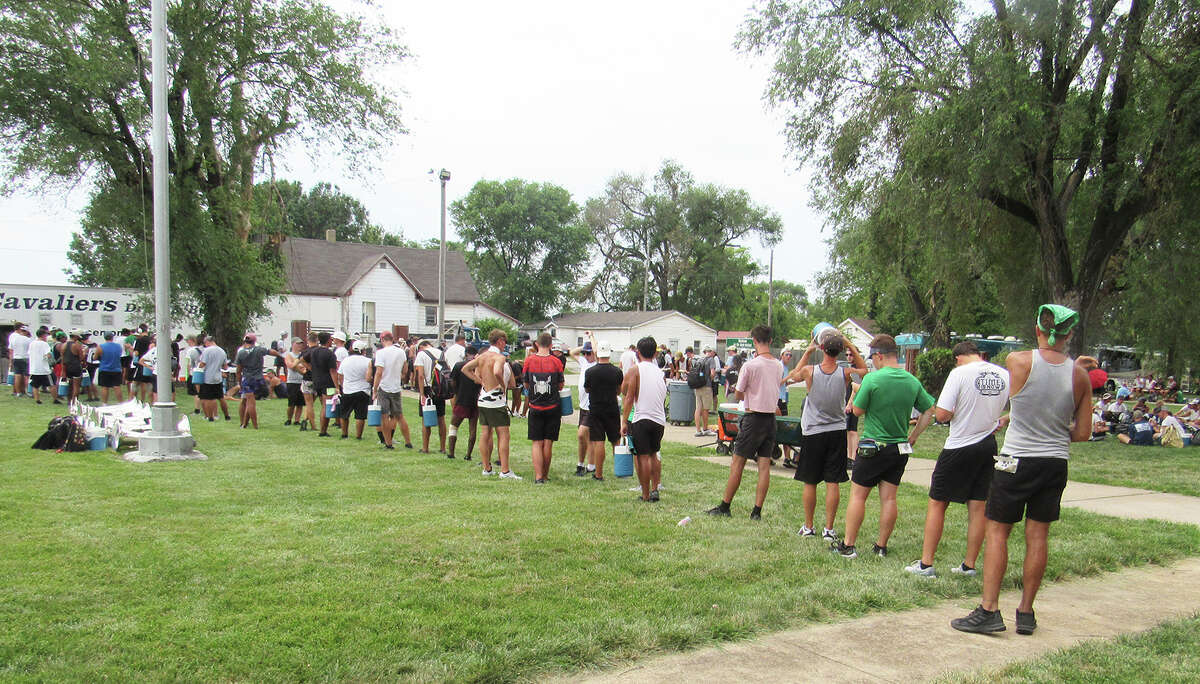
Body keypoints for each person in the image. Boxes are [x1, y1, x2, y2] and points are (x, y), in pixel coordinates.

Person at [953, 304, 1091, 635]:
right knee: (1038, 535)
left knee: (998, 531)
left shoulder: (1018, 361)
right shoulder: (1080, 375)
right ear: (1070, 334)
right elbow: (1083, 432)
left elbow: (1026, 392)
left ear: (1038, 329)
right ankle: (1026, 613)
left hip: (1016, 460)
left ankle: (989, 610)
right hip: (1055, 461)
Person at [906, 340, 1010, 578]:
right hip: (987, 445)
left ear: (958, 357)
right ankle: (969, 565)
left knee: (938, 502)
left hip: (959, 445)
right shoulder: (1003, 374)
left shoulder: (959, 373)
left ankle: (926, 563)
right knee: (977, 505)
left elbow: (942, 414)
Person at [833, 334, 936, 559]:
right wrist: (913, 436)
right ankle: (881, 546)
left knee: (858, 496)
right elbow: (929, 410)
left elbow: (858, 411)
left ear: (879, 356)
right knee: (889, 498)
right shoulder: (911, 380)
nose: (872, 363)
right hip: (899, 447)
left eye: (873, 358)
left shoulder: (873, 379)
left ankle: (849, 545)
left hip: (872, 445)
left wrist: (861, 393)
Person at [789, 332, 867, 540]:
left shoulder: (809, 371)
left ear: (822, 349)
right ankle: (829, 529)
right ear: (840, 350)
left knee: (810, 481)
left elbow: (793, 375)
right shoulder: (845, 373)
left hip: (814, 432)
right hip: (836, 431)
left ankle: (808, 526)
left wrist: (807, 351)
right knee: (833, 481)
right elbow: (865, 370)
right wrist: (849, 343)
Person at [707, 325, 785, 519]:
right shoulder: (778, 365)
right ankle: (756, 511)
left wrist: (741, 389)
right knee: (764, 466)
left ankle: (725, 506)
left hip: (753, 417)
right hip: (770, 419)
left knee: (738, 462)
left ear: (754, 341)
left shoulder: (750, 365)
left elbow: (740, 393)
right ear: (771, 341)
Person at [462, 329, 521, 479]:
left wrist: (479, 381)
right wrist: (502, 385)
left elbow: (465, 369)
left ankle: (486, 468)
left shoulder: (482, 357)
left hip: (483, 398)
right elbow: (496, 372)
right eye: (505, 342)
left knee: (485, 433)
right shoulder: (499, 357)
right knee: (503, 435)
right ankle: (505, 471)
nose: (505, 345)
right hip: (496, 401)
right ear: (500, 341)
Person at [621, 336, 667, 502]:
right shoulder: (660, 372)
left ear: (637, 352)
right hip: (659, 419)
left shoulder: (635, 369)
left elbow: (627, 395)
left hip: (642, 418)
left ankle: (646, 494)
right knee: (654, 454)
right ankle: (655, 488)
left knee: (642, 456)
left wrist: (624, 421)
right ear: (655, 353)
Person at [524, 333, 565, 484]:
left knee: (536, 442)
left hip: (535, 406)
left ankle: (538, 476)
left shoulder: (529, 360)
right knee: (548, 442)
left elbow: (527, 383)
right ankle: (545, 475)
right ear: (550, 345)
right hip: (553, 406)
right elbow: (561, 384)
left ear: (537, 344)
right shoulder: (556, 361)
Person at [584, 342, 624, 480]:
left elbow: (587, 389)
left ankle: (598, 474)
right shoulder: (617, 372)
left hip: (596, 409)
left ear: (597, 354)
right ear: (609, 353)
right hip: (612, 408)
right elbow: (619, 390)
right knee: (615, 440)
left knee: (598, 441)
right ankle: (620, 470)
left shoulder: (590, 372)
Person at [371, 331, 413, 449]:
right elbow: (405, 370)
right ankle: (408, 442)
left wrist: (375, 389)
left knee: (384, 416)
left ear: (382, 340)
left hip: (384, 387)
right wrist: (400, 378)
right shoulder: (401, 352)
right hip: (396, 387)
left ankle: (388, 443)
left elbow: (379, 372)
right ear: (392, 339)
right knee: (399, 416)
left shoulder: (381, 353)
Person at [234, 334, 277, 429]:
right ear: (254, 341)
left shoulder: (241, 353)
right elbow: (271, 351)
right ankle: (244, 424)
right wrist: (280, 356)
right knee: (250, 402)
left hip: (247, 379)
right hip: (259, 379)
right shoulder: (259, 349)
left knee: (250, 403)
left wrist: (240, 383)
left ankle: (255, 425)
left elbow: (238, 371)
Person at [571, 335, 599, 476]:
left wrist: (592, 338)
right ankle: (581, 464)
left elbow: (597, 351)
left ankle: (591, 465)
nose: (587, 355)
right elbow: (572, 352)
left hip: (592, 407)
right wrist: (584, 347)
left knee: (583, 434)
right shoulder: (583, 362)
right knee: (584, 438)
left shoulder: (597, 364)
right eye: (585, 353)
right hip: (583, 407)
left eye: (589, 353)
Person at [414, 340, 448, 453]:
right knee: (441, 418)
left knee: (425, 417)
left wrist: (422, 393)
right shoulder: (441, 353)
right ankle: (443, 448)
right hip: (440, 388)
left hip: (427, 388)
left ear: (421, 346)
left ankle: (425, 448)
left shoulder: (421, 354)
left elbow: (420, 375)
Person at [335, 340, 373, 440]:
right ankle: (358, 435)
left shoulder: (346, 360)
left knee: (344, 414)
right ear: (363, 350)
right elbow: (370, 376)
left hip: (348, 390)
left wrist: (343, 385)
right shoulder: (367, 361)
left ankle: (344, 434)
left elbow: (340, 375)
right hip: (363, 391)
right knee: (360, 415)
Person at [448, 345, 480, 460]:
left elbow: (452, 381)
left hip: (461, 399)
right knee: (473, 428)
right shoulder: (478, 367)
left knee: (454, 426)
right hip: (475, 401)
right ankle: (468, 455)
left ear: (466, 354)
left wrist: (456, 392)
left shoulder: (459, 365)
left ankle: (451, 453)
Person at [305, 332, 339, 437]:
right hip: (328, 383)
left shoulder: (314, 352)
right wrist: (337, 386)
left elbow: (303, 360)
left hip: (316, 382)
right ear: (328, 340)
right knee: (326, 406)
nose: (332, 341)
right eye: (331, 339)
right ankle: (323, 431)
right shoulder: (330, 354)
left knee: (323, 405)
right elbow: (333, 371)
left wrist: (312, 370)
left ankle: (323, 428)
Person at [196, 337, 229, 421]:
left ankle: (210, 417)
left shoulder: (207, 351)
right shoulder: (222, 351)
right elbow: (225, 367)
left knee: (208, 398)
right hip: (218, 377)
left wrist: (198, 368)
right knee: (221, 397)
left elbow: (203, 363)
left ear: (207, 342)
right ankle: (227, 416)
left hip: (207, 377)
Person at [691, 346, 718, 437]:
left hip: (697, 387)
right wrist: (709, 380)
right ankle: (705, 429)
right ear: (711, 352)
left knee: (698, 408)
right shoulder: (711, 360)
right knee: (706, 409)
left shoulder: (699, 360)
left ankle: (698, 430)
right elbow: (713, 373)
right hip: (706, 387)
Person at [281, 338, 306, 425]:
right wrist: (298, 364)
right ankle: (289, 419)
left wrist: (297, 364)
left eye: (301, 344)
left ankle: (297, 420)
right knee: (291, 403)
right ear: (293, 344)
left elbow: (305, 367)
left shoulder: (302, 355)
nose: (300, 346)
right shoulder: (289, 355)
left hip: (301, 381)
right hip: (292, 381)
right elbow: (290, 366)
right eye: (298, 344)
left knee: (300, 403)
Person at [26, 328, 54, 404]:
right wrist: (48, 359)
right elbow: (48, 354)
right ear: (43, 335)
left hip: (34, 368)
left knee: (36, 386)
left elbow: (29, 353)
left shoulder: (32, 343)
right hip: (44, 369)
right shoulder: (44, 344)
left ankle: (37, 399)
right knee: (51, 384)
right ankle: (55, 399)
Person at [8, 323, 31, 398]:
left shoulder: (14, 339)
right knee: (26, 376)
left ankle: (18, 392)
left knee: (17, 376)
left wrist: (11, 361)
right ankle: (27, 391)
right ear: (26, 332)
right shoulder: (28, 340)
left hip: (16, 358)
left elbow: (11, 350)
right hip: (25, 358)